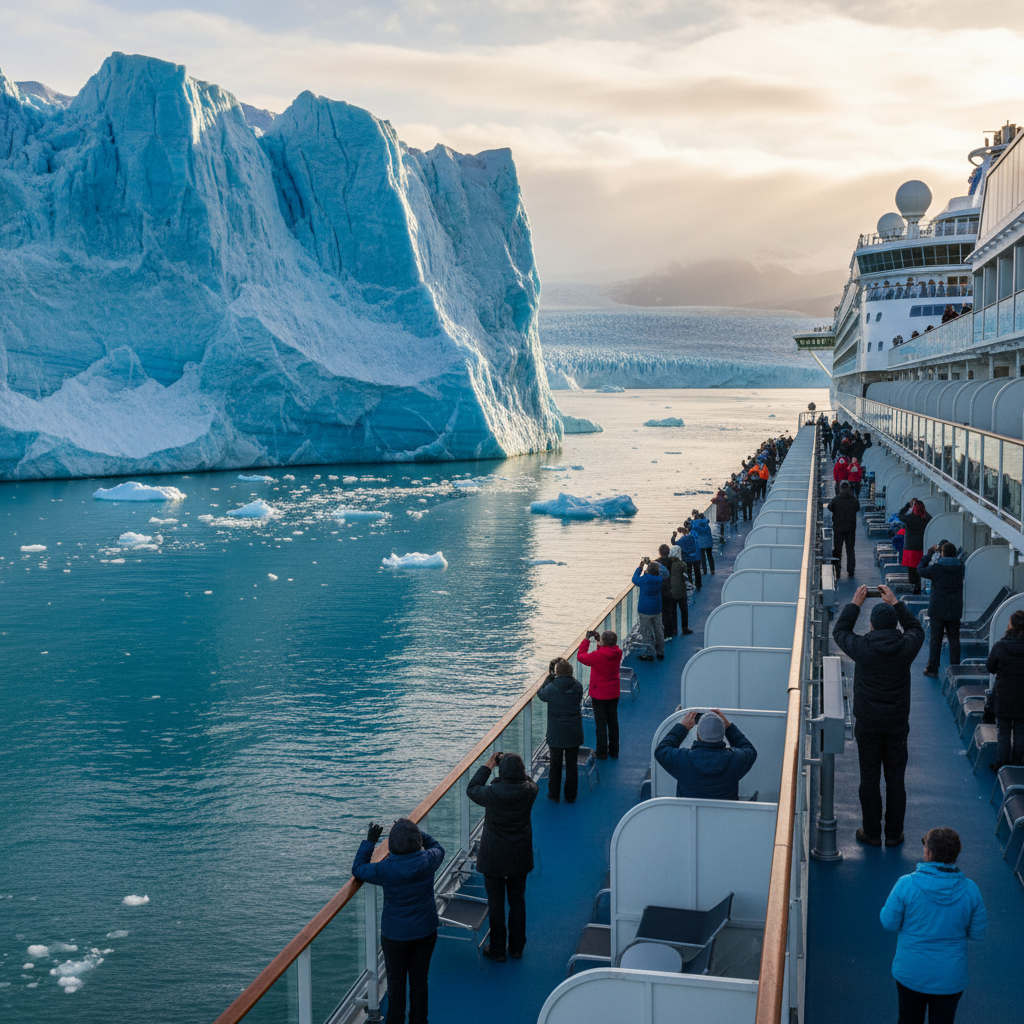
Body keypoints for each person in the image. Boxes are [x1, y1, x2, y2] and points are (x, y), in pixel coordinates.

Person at [832, 584, 925, 847]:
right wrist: (896, 602)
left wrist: (854, 604)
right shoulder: (906, 647)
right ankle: (894, 834)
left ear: (871, 626)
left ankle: (872, 833)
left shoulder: (862, 648)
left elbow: (840, 631)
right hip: (897, 724)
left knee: (869, 779)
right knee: (896, 780)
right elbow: (916, 629)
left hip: (869, 725)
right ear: (895, 626)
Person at [880, 827, 987, 1024]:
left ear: (928, 853)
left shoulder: (906, 884)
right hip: (950, 978)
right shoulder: (971, 890)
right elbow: (977, 933)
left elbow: (888, 922)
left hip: (911, 973)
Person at [351, 818, 444, 1024]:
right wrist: (416, 831)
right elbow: (438, 847)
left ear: (392, 846)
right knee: (420, 981)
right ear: (418, 842)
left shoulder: (385, 869)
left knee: (396, 983)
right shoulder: (429, 860)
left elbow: (358, 868)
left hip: (395, 935)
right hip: (425, 931)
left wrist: (370, 842)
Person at [466, 751, 539, 962]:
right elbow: (528, 780)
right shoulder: (530, 791)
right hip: (519, 856)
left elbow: (472, 788)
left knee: (496, 903)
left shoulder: (492, 793)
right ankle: (517, 948)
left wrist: (489, 766)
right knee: (517, 901)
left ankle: (497, 950)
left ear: (501, 770)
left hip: (493, 857)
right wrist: (515, 770)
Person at [654, 709, 757, 799]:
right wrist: (729, 727)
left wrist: (682, 728)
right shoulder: (735, 759)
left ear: (698, 734)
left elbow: (661, 750)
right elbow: (750, 750)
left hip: (688, 819)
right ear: (722, 734)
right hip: (726, 819)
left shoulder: (683, 759)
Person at [538, 658, 584, 802]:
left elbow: (541, 694)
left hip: (556, 731)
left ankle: (554, 794)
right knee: (572, 765)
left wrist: (549, 677)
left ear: (556, 673)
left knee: (555, 764)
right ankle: (571, 796)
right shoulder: (578, 686)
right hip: (573, 731)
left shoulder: (551, 688)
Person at [918, 543, 965, 679]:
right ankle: (955, 668)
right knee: (954, 639)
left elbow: (920, 569)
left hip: (937, 610)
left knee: (935, 639)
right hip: (954, 609)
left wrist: (929, 553)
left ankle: (932, 668)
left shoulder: (936, 568)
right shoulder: (961, 568)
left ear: (942, 553)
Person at [986, 610, 1024, 768]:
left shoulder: (1000, 646)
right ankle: (1018, 763)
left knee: (1003, 730)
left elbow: (990, 668)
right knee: (1021, 731)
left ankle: (1002, 763)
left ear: (1010, 625)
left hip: (1003, 696)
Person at [578, 629, 624, 759]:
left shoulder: (596, 656)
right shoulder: (618, 652)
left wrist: (586, 640)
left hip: (599, 694)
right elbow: (605, 653)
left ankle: (602, 752)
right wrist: (599, 641)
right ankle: (614, 751)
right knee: (613, 722)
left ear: (604, 642)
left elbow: (580, 656)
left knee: (601, 724)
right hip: (614, 692)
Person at [632, 556, 668, 659]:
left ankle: (649, 653)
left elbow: (634, 579)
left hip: (645, 609)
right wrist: (651, 563)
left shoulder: (644, 579)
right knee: (658, 630)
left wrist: (641, 566)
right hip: (657, 608)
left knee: (646, 632)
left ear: (648, 570)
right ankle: (660, 652)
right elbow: (665, 571)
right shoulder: (659, 578)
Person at [899, 499, 933, 594]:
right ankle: (920, 585)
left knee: (912, 570)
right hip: (922, 547)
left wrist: (907, 506)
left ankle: (914, 586)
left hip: (910, 547)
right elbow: (932, 521)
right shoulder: (926, 518)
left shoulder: (910, 518)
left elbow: (900, 515)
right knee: (921, 567)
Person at [827, 480, 860, 578]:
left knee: (838, 550)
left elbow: (829, 507)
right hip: (850, 530)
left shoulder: (836, 499)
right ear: (849, 489)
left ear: (841, 489)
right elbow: (857, 508)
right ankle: (851, 570)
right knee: (850, 550)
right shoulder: (853, 500)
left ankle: (837, 569)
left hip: (838, 529)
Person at [667, 544, 694, 637]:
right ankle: (684, 628)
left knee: (672, 611)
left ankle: (674, 629)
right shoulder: (682, 565)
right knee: (684, 610)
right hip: (681, 591)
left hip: (671, 591)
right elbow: (687, 576)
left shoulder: (668, 564)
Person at [655, 543, 680, 640]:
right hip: (671, 589)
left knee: (662, 613)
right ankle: (673, 630)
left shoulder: (657, 563)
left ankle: (664, 633)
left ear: (660, 552)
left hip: (660, 591)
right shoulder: (673, 562)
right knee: (671, 611)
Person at [673, 524, 702, 591]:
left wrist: (674, 536)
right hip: (697, 555)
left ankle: (690, 584)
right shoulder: (695, 533)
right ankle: (698, 585)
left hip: (687, 557)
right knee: (697, 571)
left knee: (688, 571)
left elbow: (674, 543)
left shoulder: (684, 538)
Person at [691, 509, 715, 576]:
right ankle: (712, 570)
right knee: (710, 556)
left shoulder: (695, 524)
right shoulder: (706, 523)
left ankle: (705, 571)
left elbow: (691, 529)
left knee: (703, 557)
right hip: (709, 542)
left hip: (701, 543)